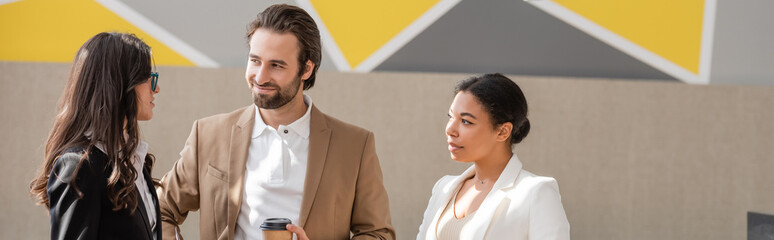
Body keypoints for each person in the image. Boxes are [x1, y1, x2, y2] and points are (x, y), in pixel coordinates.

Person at [156, 4, 394, 240]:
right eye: (255, 61)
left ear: (307, 69)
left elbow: (378, 233)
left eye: (276, 65)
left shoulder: (355, 146)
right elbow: (160, 209)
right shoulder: (208, 135)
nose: (260, 77)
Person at [29, 32, 162, 240]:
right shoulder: (80, 166)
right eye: (149, 79)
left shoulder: (133, 161)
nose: (157, 89)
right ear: (120, 84)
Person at [416, 73, 570, 240]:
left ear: (503, 131)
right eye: (451, 117)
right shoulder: (444, 187)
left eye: (466, 121)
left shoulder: (535, 192)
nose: (450, 130)